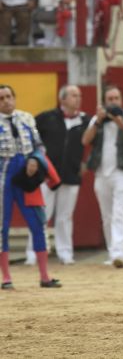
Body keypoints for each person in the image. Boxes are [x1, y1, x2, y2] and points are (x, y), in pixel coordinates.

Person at [0, 84, 62, 290]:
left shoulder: (26, 118)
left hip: (27, 172)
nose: (6, 101)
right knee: (1, 227)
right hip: (3, 176)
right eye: (1, 98)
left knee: (38, 222)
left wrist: (35, 159)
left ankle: (45, 276)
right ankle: (6, 277)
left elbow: (39, 146)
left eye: (9, 96)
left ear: (14, 98)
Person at [81, 84, 123, 267]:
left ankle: (119, 252)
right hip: (102, 171)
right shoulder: (97, 119)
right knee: (107, 215)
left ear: (121, 100)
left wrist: (121, 125)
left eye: (116, 98)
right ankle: (112, 252)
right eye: (110, 99)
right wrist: (98, 121)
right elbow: (85, 140)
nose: (113, 102)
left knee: (120, 212)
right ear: (104, 101)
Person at [29, 85, 88, 266]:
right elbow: (30, 136)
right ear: (62, 99)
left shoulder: (85, 121)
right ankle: (34, 253)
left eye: (79, 95)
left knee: (65, 216)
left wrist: (86, 162)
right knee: (41, 215)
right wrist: (35, 160)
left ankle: (65, 253)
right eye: (73, 95)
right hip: (47, 175)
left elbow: (96, 141)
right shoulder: (47, 118)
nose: (77, 98)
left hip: (71, 174)